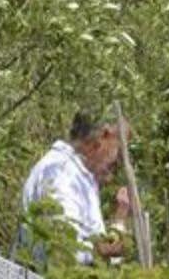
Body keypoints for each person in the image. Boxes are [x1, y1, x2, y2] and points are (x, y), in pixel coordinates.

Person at [20, 111, 127, 263]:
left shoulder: (80, 176)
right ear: (103, 137)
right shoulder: (62, 175)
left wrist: (120, 215)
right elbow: (63, 252)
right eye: (120, 150)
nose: (118, 161)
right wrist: (103, 251)